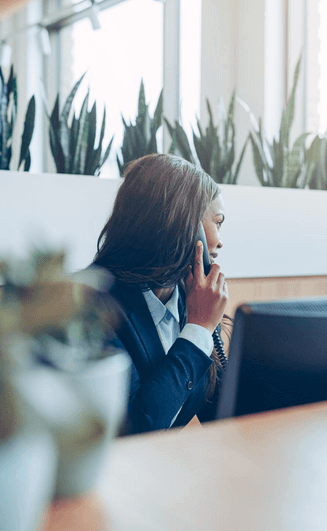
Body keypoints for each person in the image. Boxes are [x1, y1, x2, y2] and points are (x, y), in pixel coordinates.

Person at [93, 153, 228, 434]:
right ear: (183, 227)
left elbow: (221, 411)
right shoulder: (95, 305)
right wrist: (199, 329)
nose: (220, 241)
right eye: (217, 222)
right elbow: (138, 429)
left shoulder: (188, 297)